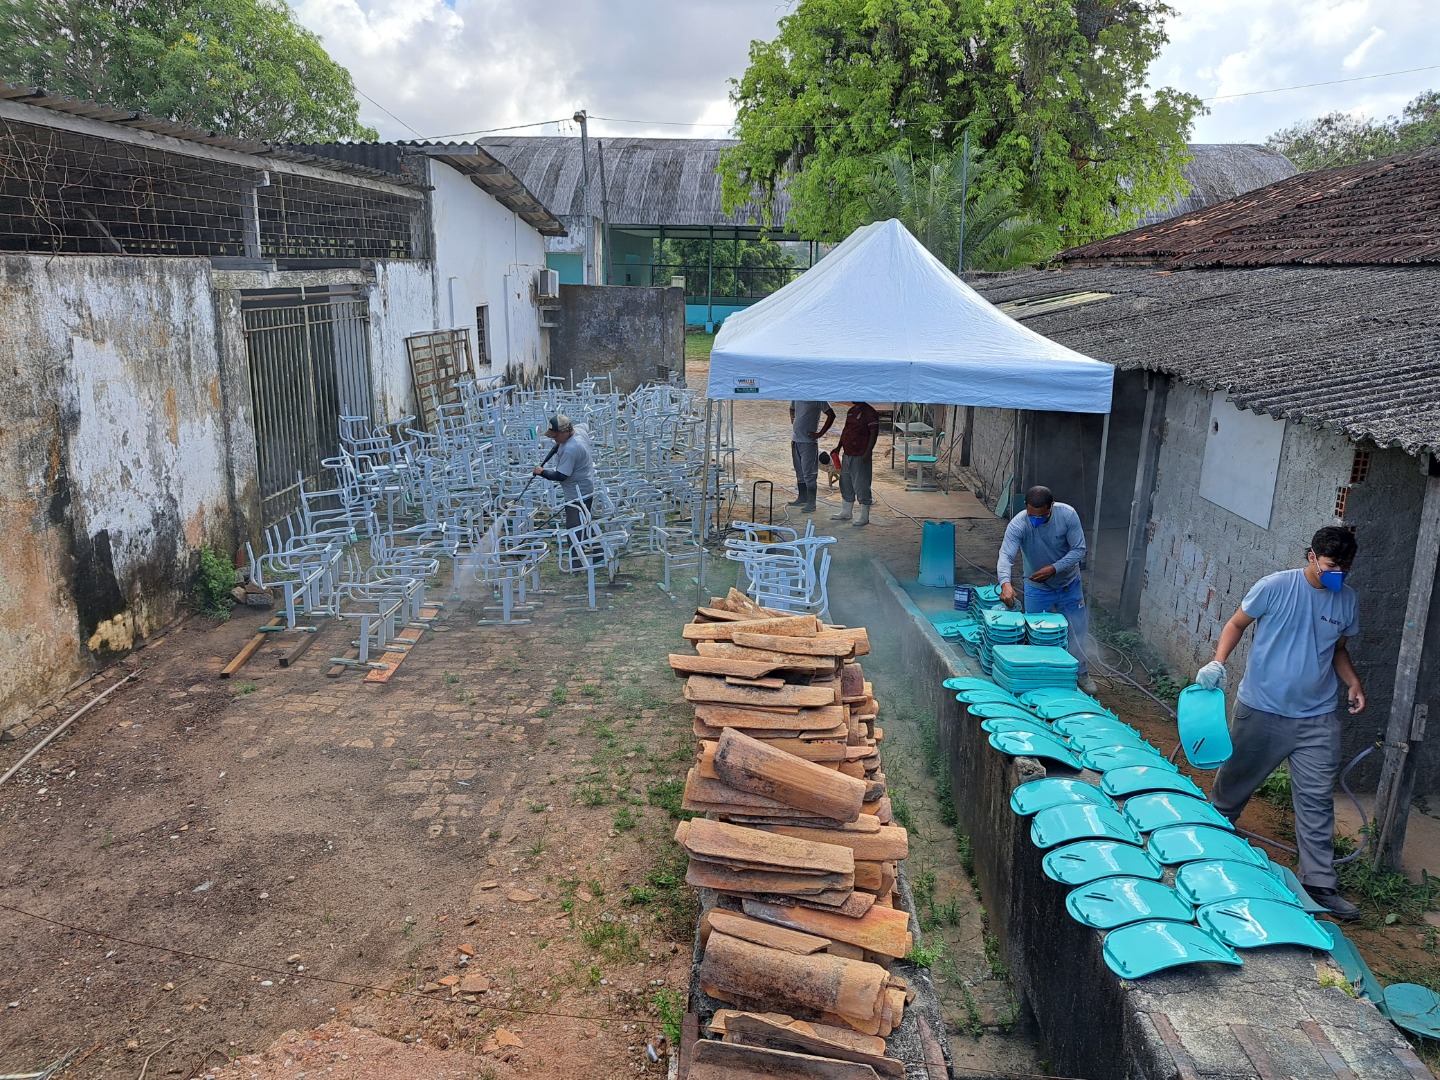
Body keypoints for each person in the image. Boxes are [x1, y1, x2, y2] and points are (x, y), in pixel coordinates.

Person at [1195, 526, 1364, 920]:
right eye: (1330, 565)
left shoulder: (1347, 600)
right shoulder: (1275, 587)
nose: (1337, 574)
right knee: (1230, 790)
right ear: (1311, 556)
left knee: (1317, 800)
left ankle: (1319, 885)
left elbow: (1338, 650)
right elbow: (1237, 623)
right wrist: (1218, 662)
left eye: (1345, 567)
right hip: (1262, 710)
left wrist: (1353, 681)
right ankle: (1206, 856)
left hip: (1316, 718)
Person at [997, 485, 1095, 695]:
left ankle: (1081, 673)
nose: (1036, 521)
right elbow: (1006, 555)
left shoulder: (1067, 515)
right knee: (1036, 634)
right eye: (1032, 516)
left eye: (1041, 517)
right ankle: (1039, 679)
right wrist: (1005, 583)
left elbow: (1079, 550)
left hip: (1069, 585)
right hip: (1037, 589)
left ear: (1051, 506)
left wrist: (1054, 568)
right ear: (1026, 506)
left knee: (1076, 630)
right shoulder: (1018, 524)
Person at [532, 413, 596, 533]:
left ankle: (581, 544)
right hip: (586, 487)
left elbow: (561, 476)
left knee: (575, 530)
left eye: (556, 436)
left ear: (566, 431)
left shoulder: (570, 449)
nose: (554, 439)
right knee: (585, 523)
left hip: (577, 495)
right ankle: (590, 539)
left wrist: (542, 472)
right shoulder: (579, 431)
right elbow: (585, 425)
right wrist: (558, 445)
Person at [829, 401, 881, 527]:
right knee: (845, 482)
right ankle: (846, 511)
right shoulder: (851, 411)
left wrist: (868, 451)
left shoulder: (869, 412)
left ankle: (864, 516)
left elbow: (874, 432)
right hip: (847, 453)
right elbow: (846, 430)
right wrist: (839, 447)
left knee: (861, 484)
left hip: (860, 454)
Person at [787, 401, 835, 514]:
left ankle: (811, 502)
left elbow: (831, 415)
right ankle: (802, 497)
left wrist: (820, 433)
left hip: (808, 442)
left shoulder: (817, 398)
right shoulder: (797, 396)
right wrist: (793, 419)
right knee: (799, 471)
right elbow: (792, 408)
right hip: (796, 440)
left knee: (809, 473)